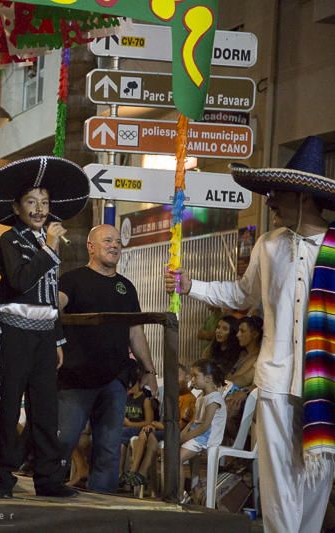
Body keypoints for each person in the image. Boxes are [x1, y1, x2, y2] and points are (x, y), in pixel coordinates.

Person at [165, 136, 335, 533]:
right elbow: (242, 294)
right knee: (277, 475)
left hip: (324, 381)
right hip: (275, 378)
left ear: (303, 198)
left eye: (278, 194)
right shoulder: (268, 245)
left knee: (319, 472)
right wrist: (194, 287)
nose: (270, 201)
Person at [0, 156, 89, 499]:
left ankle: (47, 480)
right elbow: (21, 281)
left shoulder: (47, 245)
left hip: (43, 335)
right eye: (32, 203)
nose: (40, 210)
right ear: (17, 207)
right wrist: (50, 247)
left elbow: (51, 298)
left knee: (45, 408)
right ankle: (4, 479)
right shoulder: (10, 240)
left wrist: (58, 340)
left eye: (45, 203)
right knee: (8, 405)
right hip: (13, 334)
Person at [57, 224, 158, 493]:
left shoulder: (126, 287)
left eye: (117, 242)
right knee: (63, 441)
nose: (115, 246)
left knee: (108, 449)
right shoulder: (72, 279)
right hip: (75, 377)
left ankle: (101, 508)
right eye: (107, 241)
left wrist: (149, 371)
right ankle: (48, 498)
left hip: (114, 380)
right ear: (91, 246)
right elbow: (52, 307)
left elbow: (136, 331)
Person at [180, 359, 227, 491]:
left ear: (208, 378)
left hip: (206, 438)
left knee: (175, 460)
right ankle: (190, 492)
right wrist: (183, 434)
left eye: (195, 376)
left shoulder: (214, 399)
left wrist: (186, 437)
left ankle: (177, 496)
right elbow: (193, 421)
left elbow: (205, 426)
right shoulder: (201, 396)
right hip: (197, 435)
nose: (192, 379)